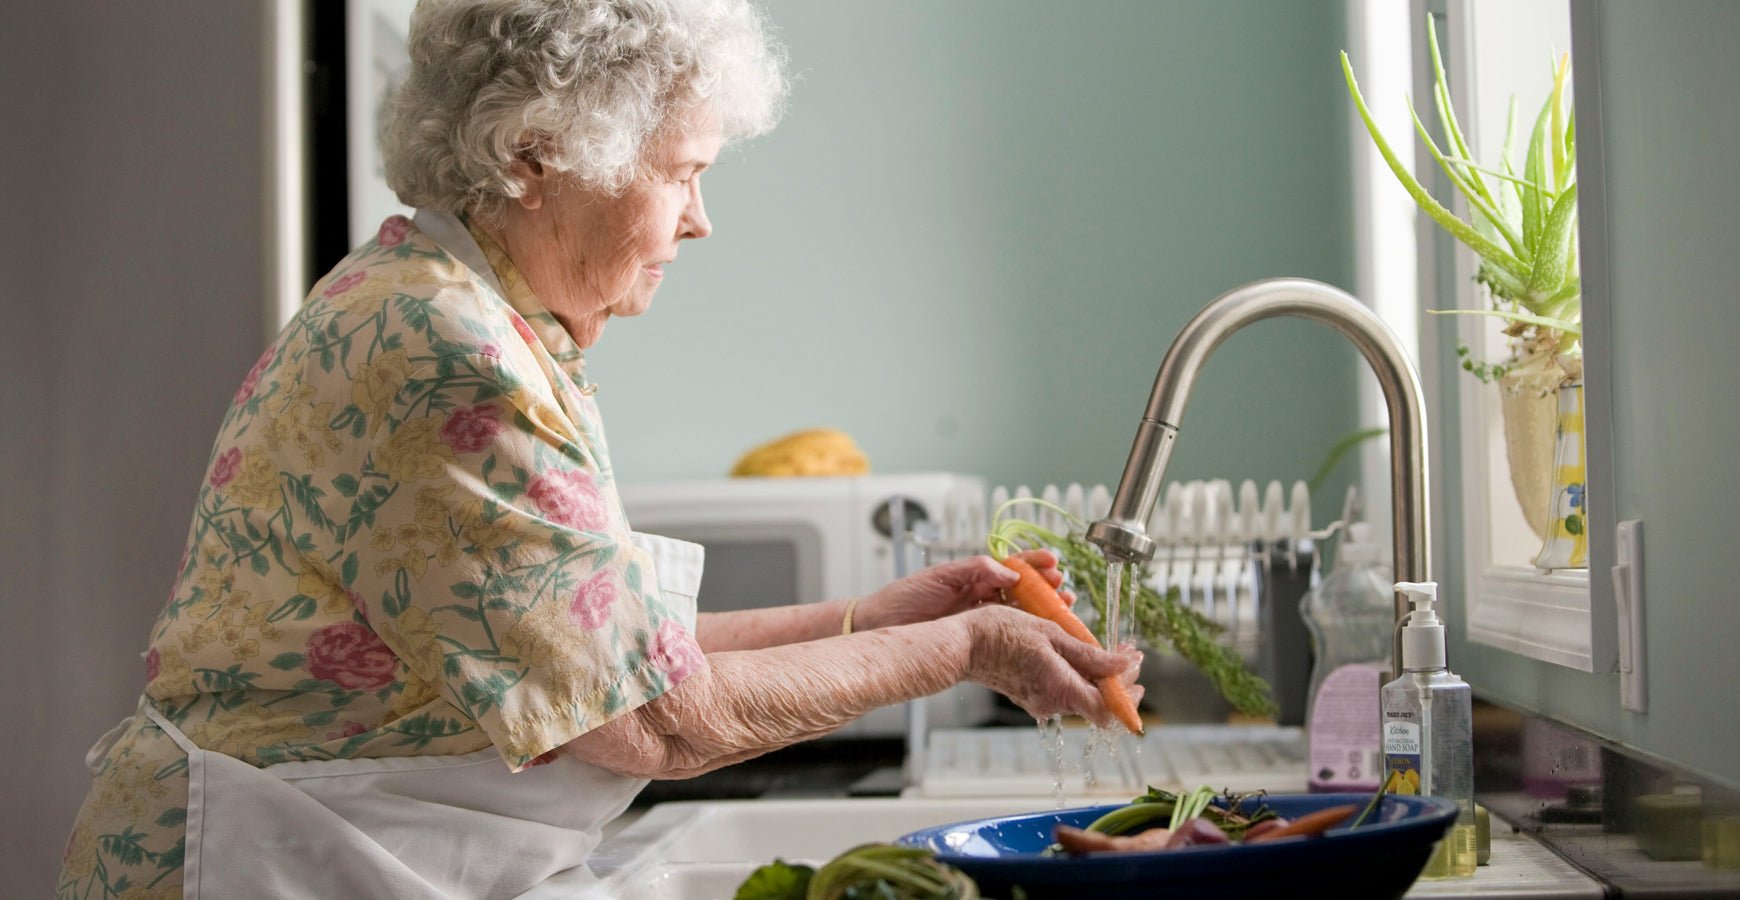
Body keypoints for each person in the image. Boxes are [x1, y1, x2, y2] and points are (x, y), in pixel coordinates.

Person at [56, 1, 1141, 896]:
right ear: (538, 155)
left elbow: (610, 653)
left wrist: (890, 614)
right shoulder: (446, 355)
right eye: (682, 172)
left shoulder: (466, 314)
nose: (702, 218)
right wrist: (965, 650)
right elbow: (655, 723)